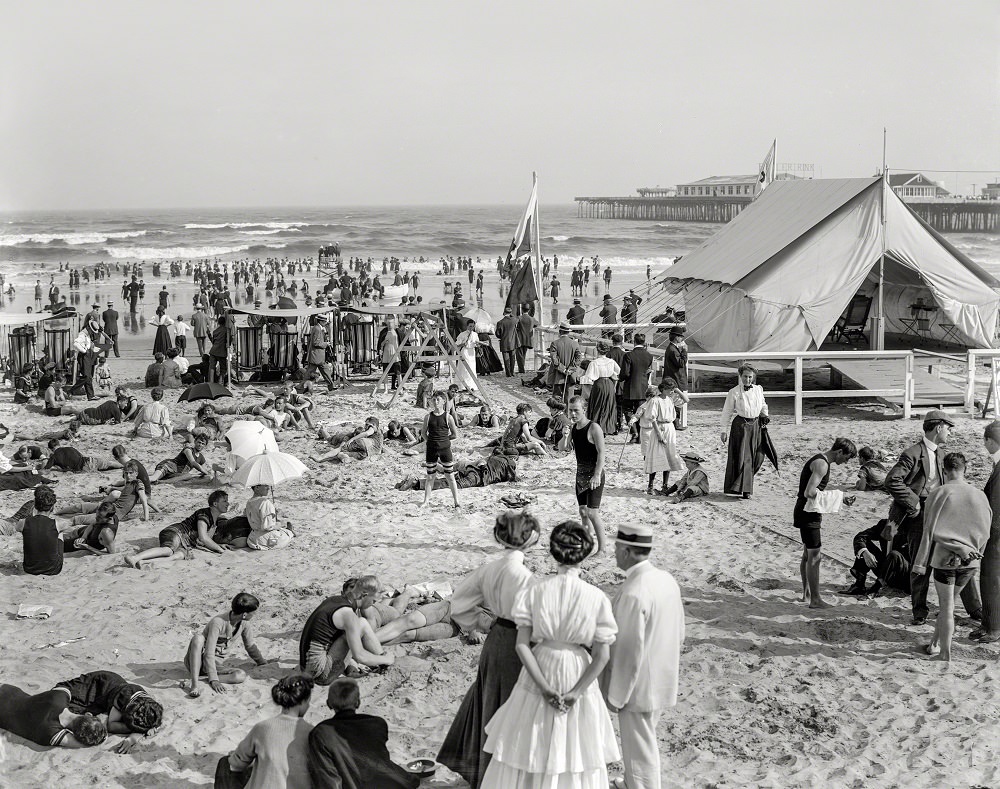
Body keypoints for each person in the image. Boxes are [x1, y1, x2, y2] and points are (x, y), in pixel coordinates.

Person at [480, 521, 619, 789]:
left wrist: (544, 688)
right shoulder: (597, 597)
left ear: (552, 553)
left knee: (529, 743)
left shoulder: (536, 591)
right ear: (585, 554)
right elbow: (602, 656)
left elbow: (522, 645)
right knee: (575, 748)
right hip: (577, 667)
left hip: (541, 663)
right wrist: (577, 691)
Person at [438, 511, 538, 788]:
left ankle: (482, 771)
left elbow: (458, 603)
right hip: (518, 641)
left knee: (487, 700)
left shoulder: (489, 569)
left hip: (496, 639)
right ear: (529, 539)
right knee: (512, 704)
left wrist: (480, 624)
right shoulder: (525, 577)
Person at [601, 524, 685, 789]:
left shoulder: (634, 592)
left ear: (627, 552)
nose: (613, 552)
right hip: (663, 673)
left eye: (616, 547)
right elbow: (680, 630)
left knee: (640, 749)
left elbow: (628, 650)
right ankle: (629, 782)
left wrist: (617, 694)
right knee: (644, 740)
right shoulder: (665, 579)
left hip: (639, 685)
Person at [885, 410, 981, 626]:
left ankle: (975, 608)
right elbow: (892, 480)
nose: (949, 432)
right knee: (921, 563)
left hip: (943, 512)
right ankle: (919, 611)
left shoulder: (940, 454)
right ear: (939, 428)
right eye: (948, 428)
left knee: (960, 557)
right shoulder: (912, 453)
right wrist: (914, 501)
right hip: (919, 515)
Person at [912, 452, 992, 660]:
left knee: (946, 608)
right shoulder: (980, 495)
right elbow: (986, 531)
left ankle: (945, 655)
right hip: (971, 560)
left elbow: (930, 529)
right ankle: (934, 644)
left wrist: (954, 548)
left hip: (944, 559)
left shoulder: (939, 492)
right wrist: (969, 550)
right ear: (965, 469)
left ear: (945, 470)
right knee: (950, 603)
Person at [795, 437, 858, 610]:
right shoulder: (822, 464)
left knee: (808, 554)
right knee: (815, 556)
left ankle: (806, 594)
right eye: (846, 458)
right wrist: (840, 496)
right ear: (839, 452)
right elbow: (810, 492)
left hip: (804, 510)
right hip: (808, 513)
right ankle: (815, 599)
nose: (845, 463)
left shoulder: (818, 460)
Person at [320, 679, 419, 789]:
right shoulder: (378, 723)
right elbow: (381, 762)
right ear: (358, 702)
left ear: (328, 703)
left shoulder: (320, 732)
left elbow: (326, 777)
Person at [298, 576, 394, 685]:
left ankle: (382, 659)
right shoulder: (347, 614)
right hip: (319, 675)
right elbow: (360, 656)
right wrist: (387, 659)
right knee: (361, 624)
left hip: (306, 667)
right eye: (373, 601)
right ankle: (385, 662)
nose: (372, 604)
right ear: (364, 595)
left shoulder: (334, 600)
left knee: (361, 623)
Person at [225, 675, 314, 789]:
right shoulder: (311, 732)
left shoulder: (262, 728)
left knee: (225, 763)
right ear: (303, 702)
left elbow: (236, 763)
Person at [184, 592, 272, 697]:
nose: (255, 615)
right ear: (244, 614)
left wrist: (262, 662)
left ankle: (203, 679)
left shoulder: (244, 624)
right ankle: (194, 684)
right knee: (198, 638)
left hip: (216, 666)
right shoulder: (218, 622)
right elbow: (209, 653)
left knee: (240, 675)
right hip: (197, 661)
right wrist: (214, 680)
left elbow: (250, 646)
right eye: (254, 612)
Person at [54, 670, 163, 753]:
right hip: (100, 685)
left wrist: (134, 736)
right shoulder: (123, 701)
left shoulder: (150, 707)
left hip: (114, 686)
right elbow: (111, 725)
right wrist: (138, 731)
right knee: (63, 701)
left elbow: (154, 722)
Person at [125, 489, 237, 568]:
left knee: (178, 556)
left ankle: (145, 563)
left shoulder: (215, 520)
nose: (228, 503)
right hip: (176, 532)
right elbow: (203, 538)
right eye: (225, 501)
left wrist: (218, 545)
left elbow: (204, 540)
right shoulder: (204, 514)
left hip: (185, 543)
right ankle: (135, 558)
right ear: (215, 504)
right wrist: (219, 549)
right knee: (168, 550)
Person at [0, 684, 107, 748]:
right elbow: (79, 744)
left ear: (88, 714)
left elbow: (65, 689)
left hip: (7, 689)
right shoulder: (51, 733)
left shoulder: (60, 696)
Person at [721, 362, 769, 499]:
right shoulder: (734, 392)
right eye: (745, 377)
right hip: (740, 427)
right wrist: (723, 431)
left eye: (750, 377)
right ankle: (745, 489)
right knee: (743, 458)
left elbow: (763, 404)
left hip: (756, 425)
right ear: (740, 376)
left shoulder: (758, 389)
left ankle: (743, 483)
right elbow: (727, 412)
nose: (747, 380)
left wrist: (765, 414)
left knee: (758, 457)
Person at [58, 460, 150, 528]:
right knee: (79, 506)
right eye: (126, 473)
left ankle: (56, 527)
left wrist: (146, 519)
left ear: (136, 473)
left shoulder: (138, 483)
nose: (128, 475)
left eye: (131, 473)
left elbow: (144, 500)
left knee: (77, 519)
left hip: (112, 514)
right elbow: (126, 493)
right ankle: (56, 513)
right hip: (109, 506)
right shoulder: (128, 483)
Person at [568, 395, 607, 554]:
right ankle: (587, 541)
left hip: (594, 474)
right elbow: (563, 448)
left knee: (592, 513)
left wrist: (597, 475)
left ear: (584, 410)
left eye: (576, 411)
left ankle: (602, 549)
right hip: (580, 474)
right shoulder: (573, 428)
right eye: (570, 411)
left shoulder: (594, 428)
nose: (572, 414)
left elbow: (602, 453)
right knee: (583, 511)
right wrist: (565, 436)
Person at [631, 382, 684, 495]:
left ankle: (664, 485)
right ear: (663, 389)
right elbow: (652, 418)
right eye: (670, 389)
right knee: (656, 456)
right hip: (659, 428)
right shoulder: (655, 400)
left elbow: (686, 400)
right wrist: (659, 433)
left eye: (672, 389)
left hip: (670, 428)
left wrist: (678, 390)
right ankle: (650, 486)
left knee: (668, 457)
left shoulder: (670, 399)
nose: (671, 391)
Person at [975, 421, 1000, 643]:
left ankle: (993, 628)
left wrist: (987, 533)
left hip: (996, 533)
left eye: (985, 441)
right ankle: (987, 624)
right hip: (994, 531)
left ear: (990, 441)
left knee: (992, 578)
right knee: (987, 577)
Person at [842, 519, 911, 596]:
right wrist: (865, 552)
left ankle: (875, 589)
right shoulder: (885, 524)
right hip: (885, 571)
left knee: (894, 555)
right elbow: (861, 536)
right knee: (865, 547)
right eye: (891, 508)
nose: (892, 511)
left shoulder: (913, 529)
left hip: (903, 577)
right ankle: (859, 585)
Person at [415, 391, 460, 508]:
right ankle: (426, 501)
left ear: (444, 401)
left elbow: (455, 434)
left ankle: (456, 501)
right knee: (430, 476)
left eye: (438, 399)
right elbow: (423, 433)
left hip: (445, 449)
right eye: (434, 399)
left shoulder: (448, 417)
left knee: (450, 475)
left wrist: (444, 439)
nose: (436, 402)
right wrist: (430, 440)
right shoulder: (428, 417)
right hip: (431, 450)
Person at [21, 485, 64, 576]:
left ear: (35, 507)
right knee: (59, 533)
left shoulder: (23, 522)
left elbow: (18, 528)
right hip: (53, 569)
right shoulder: (56, 523)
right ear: (52, 507)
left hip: (29, 568)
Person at [581, 340, 621, 434]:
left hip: (599, 383)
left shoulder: (594, 362)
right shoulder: (611, 361)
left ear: (597, 350)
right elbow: (618, 371)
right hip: (609, 384)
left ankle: (597, 426)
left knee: (597, 405)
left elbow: (589, 376)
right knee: (608, 405)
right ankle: (607, 427)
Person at [623, 333, 654, 441]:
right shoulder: (649, 356)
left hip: (631, 386)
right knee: (640, 411)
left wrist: (621, 378)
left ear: (634, 342)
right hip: (643, 387)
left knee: (627, 410)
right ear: (644, 342)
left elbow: (625, 373)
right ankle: (640, 435)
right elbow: (648, 371)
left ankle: (634, 432)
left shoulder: (628, 355)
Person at [147, 431, 212, 483]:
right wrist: (206, 472)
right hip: (168, 466)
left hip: (177, 474)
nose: (200, 445)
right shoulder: (188, 449)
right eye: (199, 442)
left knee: (188, 476)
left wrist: (207, 473)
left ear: (205, 446)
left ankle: (161, 482)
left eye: (203, 444)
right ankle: (140, 480)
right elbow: (193, 462)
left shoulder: (201, 458)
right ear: (195, 441)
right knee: (153, 478)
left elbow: (203, 470)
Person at [246, 484, 296, 550]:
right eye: (266, 486)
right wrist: (277, 525)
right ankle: (290, 531)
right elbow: (267, 527)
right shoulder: (265, 502)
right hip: (267, 540)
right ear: (257, 487)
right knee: (285, 535)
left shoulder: (249, 502)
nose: (268, 488)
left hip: (253, 539)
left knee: (280, 530)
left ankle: (287, 530)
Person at [546, 322, 582, 403]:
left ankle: (557, 414)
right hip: (571, 375)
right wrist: (571, 369)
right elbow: (579, 358)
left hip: (558, 376)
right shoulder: (574, 343)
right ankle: (568, 415)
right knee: (569, 398)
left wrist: (563, 369)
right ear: (568, 332)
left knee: (557, 398)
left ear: (560, 331)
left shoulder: (555, 343)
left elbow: (554, 360)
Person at [662, 327, 689, 429]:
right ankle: (676, 423)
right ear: (676, 337)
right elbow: (681, 363)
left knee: (675, 401)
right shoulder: (673, 350)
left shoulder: (671, 348)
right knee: (677, 402)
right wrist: (685, 351)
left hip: (673, 377)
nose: (682, 338)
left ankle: (676, 422)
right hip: (676, 378)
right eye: (681, 336)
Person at [44, 438, 121, 473]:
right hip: (89, 460)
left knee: (107, 468)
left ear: (51, 449)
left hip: (83, 468)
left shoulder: (54, 457)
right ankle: (124, 465)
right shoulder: (70, 448)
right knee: (109, 464)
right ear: (59, 444)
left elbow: (46, 469)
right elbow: (80, 456)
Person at [306, 314, 338, 392]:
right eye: (324, 321)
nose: (325, 323)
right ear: (320, 321)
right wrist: (325, 344)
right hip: (316, 355)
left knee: (325, 370)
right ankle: (302, 387)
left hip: (318, 355)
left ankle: (331, 385)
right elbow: (315, 343)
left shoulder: (318, 328)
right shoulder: (317, 329)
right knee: (310, 373)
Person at [455, 319, 481, 393]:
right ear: (467, 326)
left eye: (472, 326)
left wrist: (478, 344)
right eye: (470, 326)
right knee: (464, 369)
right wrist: (463, 343)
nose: (471, 328)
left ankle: (471, 385)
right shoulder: (462, 334)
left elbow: (477, 343)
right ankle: (463, 385)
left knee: (472, 368)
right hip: (465, 352)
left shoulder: (475, 334)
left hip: (471, 353)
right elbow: (457, 344)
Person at [494, 306, 518, 377]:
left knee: (506, 358)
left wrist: (501, 336)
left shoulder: (500, 322)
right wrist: (512, 314)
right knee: (513, 358)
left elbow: (497, 334)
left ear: (504, 313)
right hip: (513, 342)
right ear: (510, 313)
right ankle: (512, 372)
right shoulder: (514, 320)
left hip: (504, 342)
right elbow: (517, 318)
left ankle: (508, 373)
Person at [514, 307, 535, 374]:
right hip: (527, 339)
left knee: (519, 355)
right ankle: (522, 368)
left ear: (522, 310)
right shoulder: (532, 319)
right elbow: (537, 324)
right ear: (529, 310)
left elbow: (513, 323)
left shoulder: (519, 318)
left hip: (520, 339)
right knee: (523, 354)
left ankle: (521, 370)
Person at [209, 315, 229, 384]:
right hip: (222, 351)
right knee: (223, 368)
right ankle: (220, 382)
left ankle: (211, 382)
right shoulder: (227, 330)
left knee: (212, 367)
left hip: (213, 350)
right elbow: (228, 341)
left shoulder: (215, 331)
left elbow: (213, 342)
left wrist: (209, 335)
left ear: (218, 323)